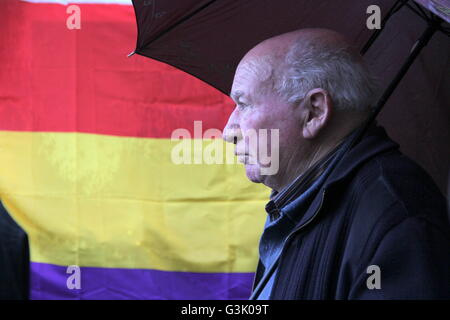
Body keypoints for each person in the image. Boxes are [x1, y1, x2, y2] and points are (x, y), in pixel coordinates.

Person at [222, 28, 450, 299]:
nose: (228, 131)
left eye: (244, 104)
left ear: (314, 112)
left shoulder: (399, 219)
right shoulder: (302, 199)